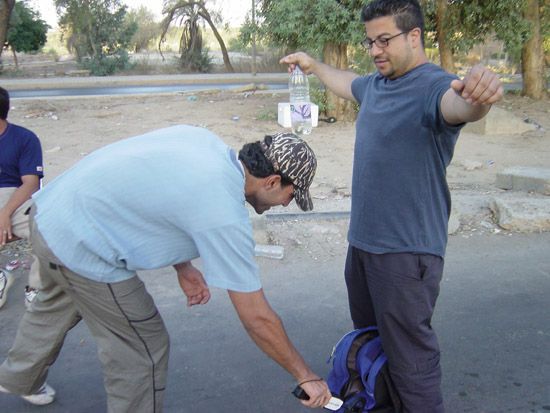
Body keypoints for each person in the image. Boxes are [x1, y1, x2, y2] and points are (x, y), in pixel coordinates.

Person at [0, 126, 332, 410]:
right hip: (82, 243)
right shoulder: (225, 215)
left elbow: (156, 196)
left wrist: (183, 266)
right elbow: (257, 318)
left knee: (58, 301)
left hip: (51, 214)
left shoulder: (204, 142)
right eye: (292, 194)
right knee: (143, 349)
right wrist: (306, 376)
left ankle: (18, 376)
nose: (288, 204)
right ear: (272, 182)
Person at [280, 1, 504, 412]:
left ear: (414, 36)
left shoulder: (434, 86)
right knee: (371, 350)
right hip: (363, 247)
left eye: (385, 40)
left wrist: (480, 99)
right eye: (370, 42)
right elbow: (348, 81)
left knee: (411, 364)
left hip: (405, 254)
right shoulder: (377, 85)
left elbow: (460, 107)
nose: (375, 50)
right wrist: (313, 65)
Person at [0, 87, 43, 310]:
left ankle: (35, 288)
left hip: (16, 199)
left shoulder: (24, 138)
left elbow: (31, 183)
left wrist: (5, 212)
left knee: (45, 229)